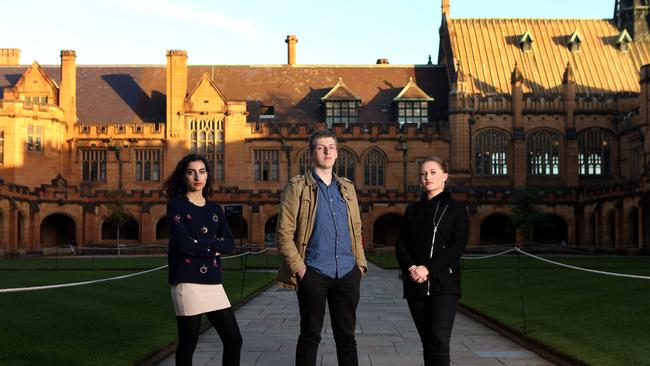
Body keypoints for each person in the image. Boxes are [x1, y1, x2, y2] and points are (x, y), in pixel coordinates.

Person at [277, 129, 367, 366]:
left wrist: (360, 266)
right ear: (311, 153)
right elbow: (284, 234)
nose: (327, 151)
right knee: (310, 336)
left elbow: (356, 230)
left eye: (331, 147)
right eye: (321, 147)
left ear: (337, 153)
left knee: (347, 337)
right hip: (313, 272)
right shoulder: (297, 187)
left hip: (348, 273)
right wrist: (301, 270)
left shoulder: (347, 187)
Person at [164, 154, 242, 366]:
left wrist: (200, 242)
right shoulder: (176, 205)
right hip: (187, 282)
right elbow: (184, 245)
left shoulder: (214, 209)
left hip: (213, 283)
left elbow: (229, 243)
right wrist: (212, 248)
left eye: (201, 171)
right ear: (183, 176)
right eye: (191, 172)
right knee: (188, 344)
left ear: (207, 175)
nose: (197, 176)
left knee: (234, 340)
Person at [395, 156, 469, 366]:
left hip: (444, 284)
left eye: (433, 172)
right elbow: (401, 244)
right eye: (424, 173)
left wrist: (427, 269)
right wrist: (412, 268)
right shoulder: (413, 209)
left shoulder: (456, 208)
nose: (428, 177)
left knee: (438, 341)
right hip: (415, 284)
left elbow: (457, 246)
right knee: (427, 342)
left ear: (445, 176)